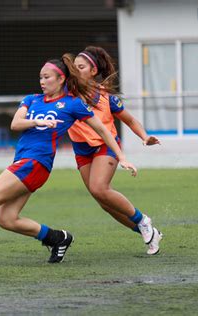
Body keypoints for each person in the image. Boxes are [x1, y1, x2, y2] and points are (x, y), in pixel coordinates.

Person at [0, 55, 137, 267]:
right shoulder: (32, 99)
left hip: (36, 163)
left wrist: (122, 157)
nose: (42, 81)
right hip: (25, 162)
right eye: (40, 77)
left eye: (47, 77)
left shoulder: (72, 104)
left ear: (61, 79)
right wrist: (36, 120)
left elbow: (102, 129)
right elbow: (15, 124)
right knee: (7, 220)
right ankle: (57, 238)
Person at [67, 46, 162, 255]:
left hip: (106, 146)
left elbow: (129, 120)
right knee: (104, 202)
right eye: (74, 67)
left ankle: (143, 220)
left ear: (93, 71)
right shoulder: (66, 93)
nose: (75, 70)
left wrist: (145, 137)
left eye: (80, 67)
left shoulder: (105, 97)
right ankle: (150, 232)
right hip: (82, 150)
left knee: (100, 188)